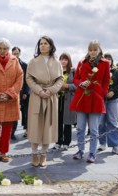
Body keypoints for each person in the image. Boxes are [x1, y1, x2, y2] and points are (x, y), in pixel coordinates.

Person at [69, 40, 110, 163]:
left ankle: (92, 153)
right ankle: (80, 150)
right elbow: (76, 78)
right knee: (80, 128)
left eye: (95, 50)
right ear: (88, 51)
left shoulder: (105, 63)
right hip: (82, 98)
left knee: (94, 129)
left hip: (96, 99)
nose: (92, 52)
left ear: (99, 50)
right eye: (90, 50)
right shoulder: (82, 62)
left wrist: (101, 92)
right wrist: (80, 83)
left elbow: (106, 80)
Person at [26, 36, 64, 167]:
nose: (42, 46)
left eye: (45, 43)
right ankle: (34, 153)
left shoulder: (57, 62)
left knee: (48, 126)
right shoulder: (33, 61)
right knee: (36, 125)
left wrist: (51, 90)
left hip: (51, 97)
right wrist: (39, 90)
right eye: (40, 44)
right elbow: (29, 78)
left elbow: (60, 79)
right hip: (37, 96)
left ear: (50, 46)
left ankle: (43, 154)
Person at [98, 53, 118, 155]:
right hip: (101, 100)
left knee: (112, 123)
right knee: (100, 123)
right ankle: (102, 143)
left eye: (109, 58)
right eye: (105, 58)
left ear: (112, 60)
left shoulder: (117, 72)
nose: (108, 60)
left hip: (113, 100)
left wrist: (113, 91)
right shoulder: (98, 71)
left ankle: (115, 146)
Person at [53, 52, 76, 151]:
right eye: (62, 59)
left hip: (68, 99)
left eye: (66, 59)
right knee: (57, 122)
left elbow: (77, 85)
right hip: (57, 99)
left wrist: (67, 86)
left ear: (69, 61)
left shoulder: (73, 72)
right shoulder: (56, 71)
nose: (63, 61)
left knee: (67, 122)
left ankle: (67, 142)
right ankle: (58, 142)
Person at [11, 46, 29, 139]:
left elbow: (27, 80)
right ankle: (12, 132)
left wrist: (26, 92)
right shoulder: (8, 64)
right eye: (14, 53)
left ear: (19, 54)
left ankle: (27, 130)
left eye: (17, 53)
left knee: (25, 113)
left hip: (23, 93)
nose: (16, 55)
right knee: (13, 113)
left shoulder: (25, 65)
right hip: (12, 93)